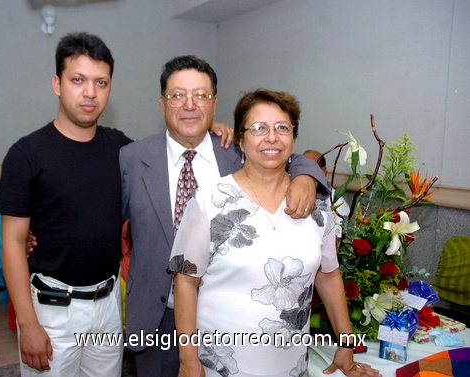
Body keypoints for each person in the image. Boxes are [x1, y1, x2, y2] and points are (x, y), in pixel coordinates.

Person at [0, 33, 233, 376]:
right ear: (57, 84)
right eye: (78, 80)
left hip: (107, 306)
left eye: (100, 82)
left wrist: (213, 129)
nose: (90, 92)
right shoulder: (27, 154)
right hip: (53, 307)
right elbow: (13, 243)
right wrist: (28, 324)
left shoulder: (121, 150)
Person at [120, 57, 331, 377]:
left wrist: (305, 176)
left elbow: (288, 152)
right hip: (156, 316)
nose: (189, 105)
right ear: (162, 104)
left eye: (201, 95)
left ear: (215, 102)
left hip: (225, 327)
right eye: (178, 95)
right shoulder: (131, 159)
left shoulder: (236, 150)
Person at [169, 89, 382, 377]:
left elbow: (328, 275)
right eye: (258, 128)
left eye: (282, 128)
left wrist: (345, 342)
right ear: (241, 141)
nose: (271, 137)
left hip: (289, 366)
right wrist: (188, 361)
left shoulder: (316, 206)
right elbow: (185, 282)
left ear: (293, 138)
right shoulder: (209, 200)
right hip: (219, 365)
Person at [304, 149, 351, 238]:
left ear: (323, 171)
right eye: (301, 166)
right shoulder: (289, 193)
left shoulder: (336, 201)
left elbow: (337, 239)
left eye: (309, 167)